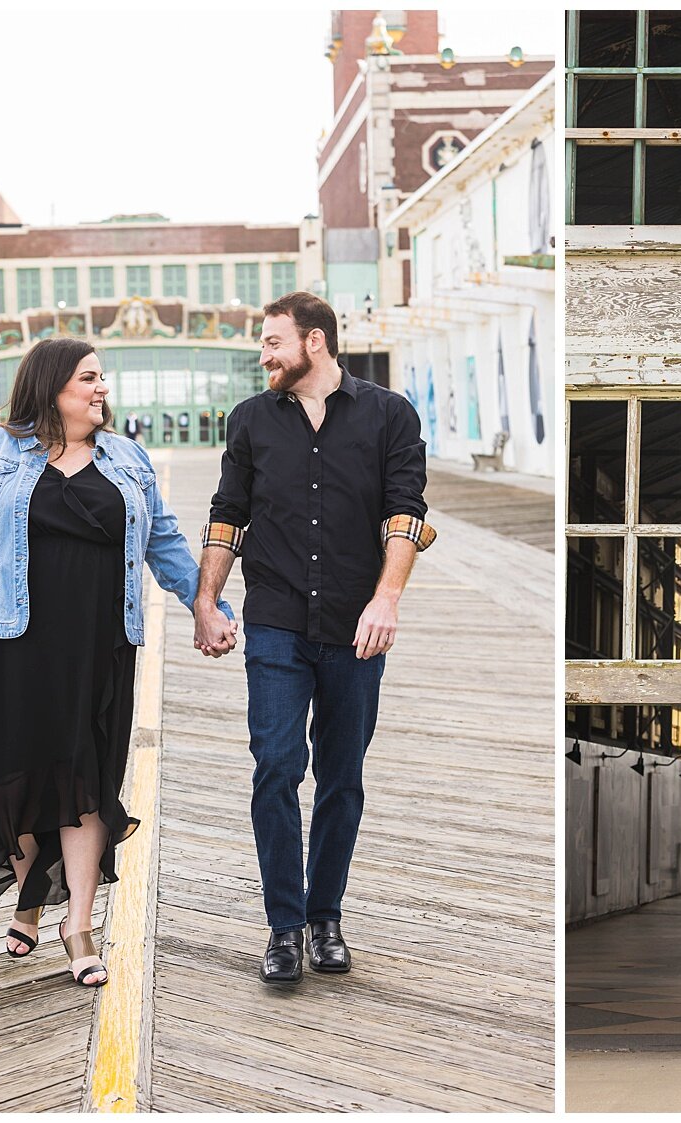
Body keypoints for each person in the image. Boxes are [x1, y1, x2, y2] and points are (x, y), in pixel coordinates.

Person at [0, 337, 236, 989]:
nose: (101, 387)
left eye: (102, 378)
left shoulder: (128, 458)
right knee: (19, 781)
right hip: (9, 640)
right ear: (52, 384)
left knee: (86, 784)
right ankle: (30, 895)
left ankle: (77, 925)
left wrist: (206, 606)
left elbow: (165, 541)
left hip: (98, 645)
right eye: (88, 377)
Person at [196, 291, 436, 985]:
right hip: (273, 619)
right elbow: (226, 516)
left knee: (342, 776)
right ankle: (284, 925)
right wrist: (206, 600)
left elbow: (406, 512)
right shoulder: (250, 421)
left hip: (356, 624)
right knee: (275, 765)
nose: (263, 355)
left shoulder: (391, 415)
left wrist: (386, 599)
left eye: (273, 342)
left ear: (316, 343)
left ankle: (326, 916)